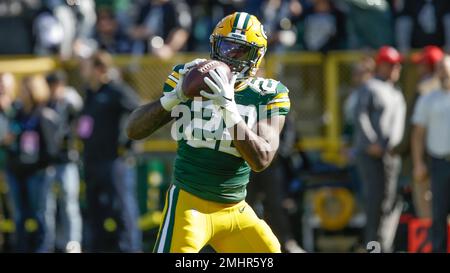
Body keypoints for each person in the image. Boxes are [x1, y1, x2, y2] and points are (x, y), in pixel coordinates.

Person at [127, 12, 291, 253]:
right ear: (214, 46)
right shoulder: (187, 77)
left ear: (257, 57)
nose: (232, 58)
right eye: (226, 48)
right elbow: (133, 129)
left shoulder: (269, 93)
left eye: (241, 51)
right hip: (188, 205)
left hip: (235, 209)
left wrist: (229, 108)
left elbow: (261, 159)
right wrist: (176, 96)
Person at [79, 51, 141, 252]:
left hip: (114, 162)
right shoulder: (90, 93)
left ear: (99, 68)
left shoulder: (115, 90)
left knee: (123, 211)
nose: (82, 69)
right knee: (95, 211)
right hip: (92, 161)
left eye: (87, 65)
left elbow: (138, 111)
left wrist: (129, 144)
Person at [353, 46, 406, 252]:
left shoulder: (395, 90)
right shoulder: (370, 87)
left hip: (391, 156)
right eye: (391, 64)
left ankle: (384, 246)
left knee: (388, 203)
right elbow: (360, 116)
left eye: (397, 65)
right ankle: (373, 248)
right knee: (375, 204)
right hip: (371, 155)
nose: (396, 68)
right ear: (381, 65)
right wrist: (370, 142)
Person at [4, 75, 60, 252]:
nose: (22, 93)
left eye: (26, 89)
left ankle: (43, 248)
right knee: (20, 216)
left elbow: (51, 150)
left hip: (37, 173)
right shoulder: (17, 113)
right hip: (17, 171)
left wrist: (36, 164)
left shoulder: (43, 115)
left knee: (41, 215)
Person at [394, 45, 444, 219]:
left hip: (424, 160)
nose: (418, 68)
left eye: (422, 64)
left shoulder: (424, 90)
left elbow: (413, 130)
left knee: (427, 213)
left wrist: (397, 149)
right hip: (441, 160)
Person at [411, 55, 450, 253]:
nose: (444, 72)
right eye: (440, 68)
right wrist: (418, 162)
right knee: (439, 212)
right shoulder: (428, 98)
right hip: (439, 161)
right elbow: (418, 134)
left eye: (446, 68)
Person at [44, 71, 83, 253]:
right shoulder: (45, 104)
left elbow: (80, 123)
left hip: (68, 159)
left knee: (69, 204)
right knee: (48, 206)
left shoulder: (69, 102)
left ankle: (73, 243)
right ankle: (49, 243)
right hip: (48, 162)